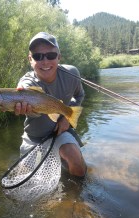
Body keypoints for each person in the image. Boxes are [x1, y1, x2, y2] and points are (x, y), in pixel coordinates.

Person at [14, 32, 87, 177]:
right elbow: (23, 90)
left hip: (60, 132)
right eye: (38, 56)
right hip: (34, 137)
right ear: (30, 59)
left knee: (77, 163)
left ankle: (77, 197)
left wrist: (66, 118)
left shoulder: (71, 74)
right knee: (27, 177)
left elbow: (79, 95)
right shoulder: (27, 83)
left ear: (59, 57)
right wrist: (24, 107)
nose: (45, 61)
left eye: (51, 56)